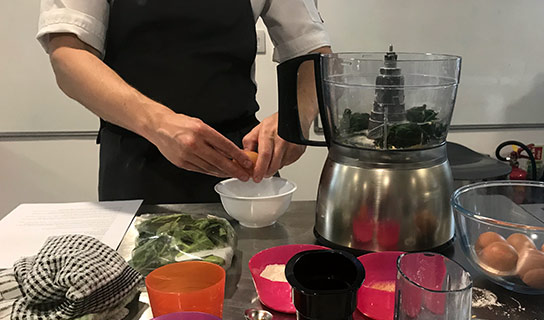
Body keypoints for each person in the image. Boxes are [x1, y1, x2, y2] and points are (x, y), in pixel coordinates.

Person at [37, 0, 331, 203]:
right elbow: (68, 56)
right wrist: (158, 123)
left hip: (239, 161)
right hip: (135, 161)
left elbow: (311, 53)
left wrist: (297, 117)